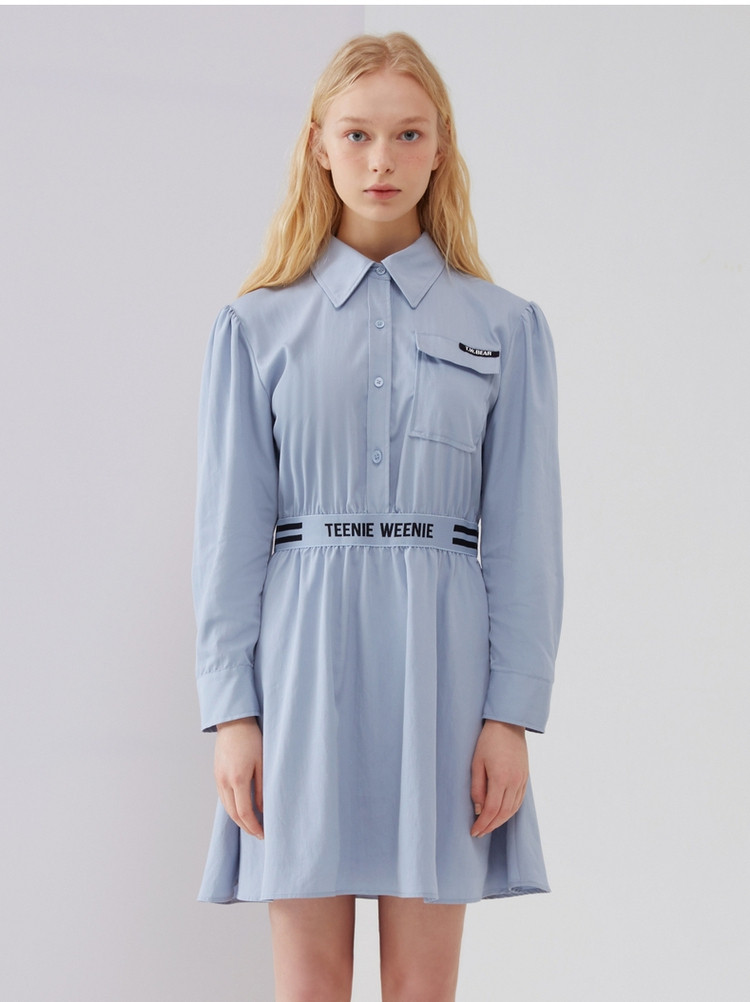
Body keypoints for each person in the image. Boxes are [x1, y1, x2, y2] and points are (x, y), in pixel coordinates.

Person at [192, 31, 563, 1002]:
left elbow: (525, 540)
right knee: (310, 985)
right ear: (319, 145)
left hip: (443, 665)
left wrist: (510, 714)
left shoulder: (505, 327)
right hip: (299, 659)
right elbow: (228, 535)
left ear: (441, 149)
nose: (381, 160)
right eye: (357, 134)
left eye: (407, 134)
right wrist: (233, 712)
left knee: (421, 988)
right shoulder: (256, 327)